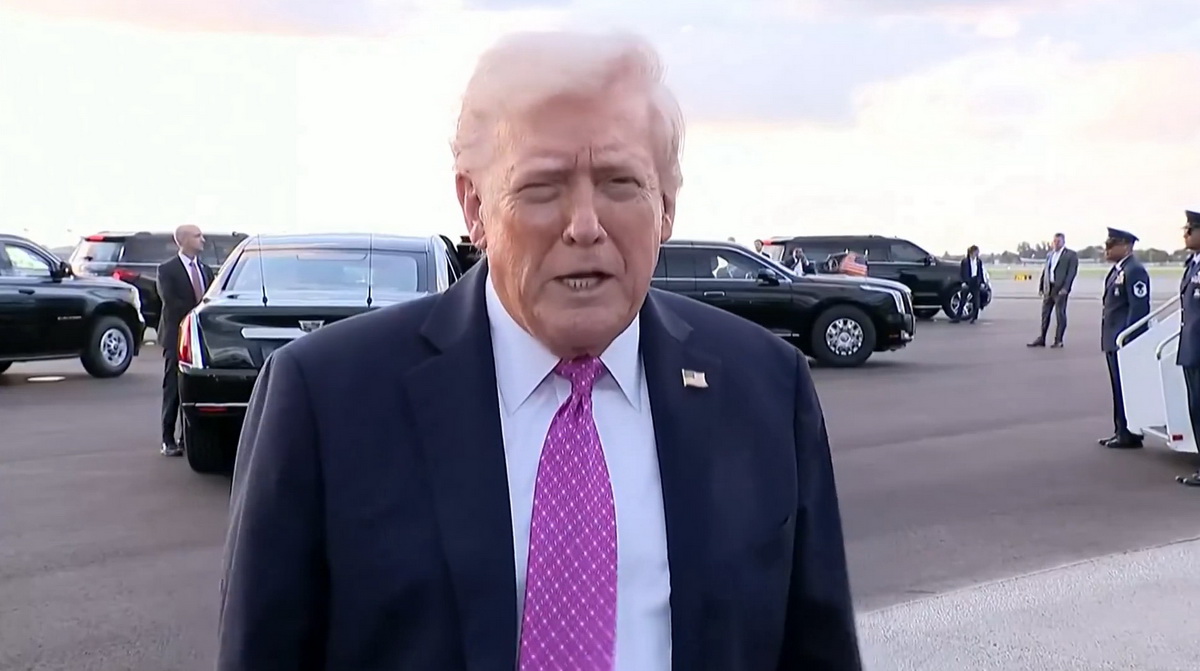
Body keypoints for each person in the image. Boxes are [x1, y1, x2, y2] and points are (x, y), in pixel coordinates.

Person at [216, 31, 862, 671]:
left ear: (666, 206)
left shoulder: (764, 386)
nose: (584, 225)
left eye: (619, 183)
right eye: (543, 187)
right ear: (474, 205)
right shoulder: (328, 398)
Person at [156, 224, 212, 457]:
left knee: (197, 388)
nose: (203, 240)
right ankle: (168, 439)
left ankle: (187, 437)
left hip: (201, 339)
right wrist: (198, 313)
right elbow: (172, 302)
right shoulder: (167, 270)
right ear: (184, 240)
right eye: (198, 236)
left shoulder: (205, 270)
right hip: (177, 337)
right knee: (173, 388)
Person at [1099, 227, 1151, 449]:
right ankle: (1121, 430)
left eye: (1111, 244)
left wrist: (1129, 340)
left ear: (1127, 246)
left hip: (1123, 341)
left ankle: (1128, 433)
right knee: (1118, 388)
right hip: (1113, 338)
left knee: (1125, 389)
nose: (1107, 249)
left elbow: (1139, 308)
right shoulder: (1118, 270)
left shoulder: (1134, 270)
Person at [1175, 210, 1200, 485]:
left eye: (1191, 229)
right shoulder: (1193, 264)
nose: (1186, 234)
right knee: (1195, 407)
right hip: (1192, 348)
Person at [1027, 233, 1078, 348]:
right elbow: (1046, 271)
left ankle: (1058, 340)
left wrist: (1066, 288)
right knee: (1045, 314)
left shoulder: (1070, 255)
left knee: (1060, 315)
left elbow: (1071, 273)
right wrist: (1041, 286)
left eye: (1058, 241)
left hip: (1060, 289)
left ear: (1063, 242)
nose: (1056, 243)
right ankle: (1042, 338)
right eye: (1054, 241)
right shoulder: (1050, 255)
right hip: (1049, 288)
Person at [952, 245, 984, 323]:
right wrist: (963, 282)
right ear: (971, 252)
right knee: (963, 300)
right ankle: (957, 318)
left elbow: (980, 272)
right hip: (967, 282)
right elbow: (962, 273)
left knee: (976, 301)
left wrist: (982, 282)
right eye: (976, 252)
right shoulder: (965, 261)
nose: (977, 254)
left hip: (975, 281)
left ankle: (974, 317)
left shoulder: (978, 261)